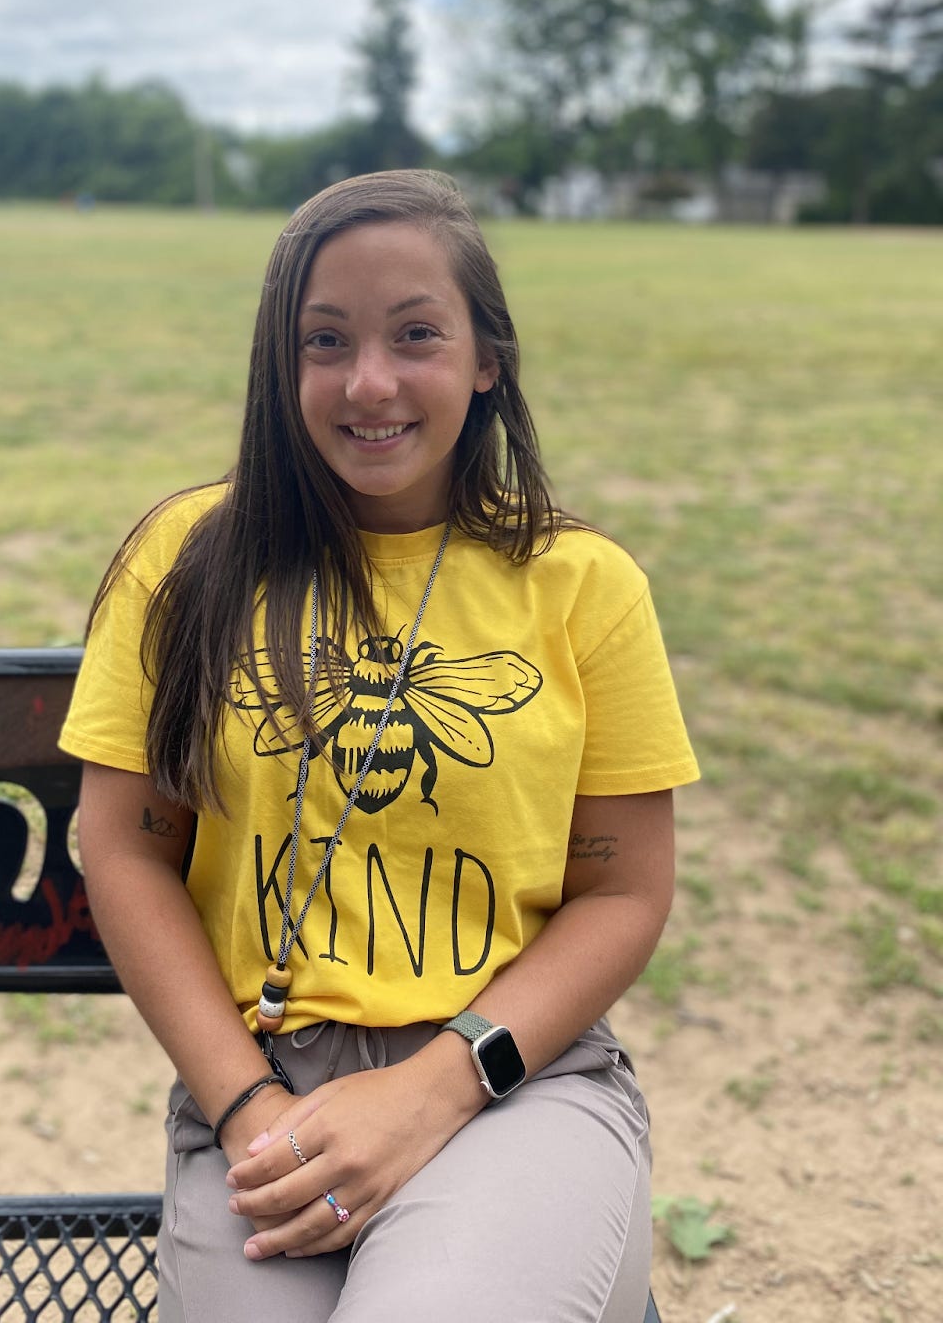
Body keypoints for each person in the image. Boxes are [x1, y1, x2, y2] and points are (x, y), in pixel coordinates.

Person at [60, 170, 699, 1323]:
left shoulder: (582, 585)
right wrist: (248, 1106)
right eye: (325, 340)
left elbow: (625, 891)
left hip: (513, 1078)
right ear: (280, 362)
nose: (369, 382)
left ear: (486, 356)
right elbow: (125, 848)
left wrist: (436, 1086)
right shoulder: (186, 561)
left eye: (416, 334)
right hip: (264, 1090)